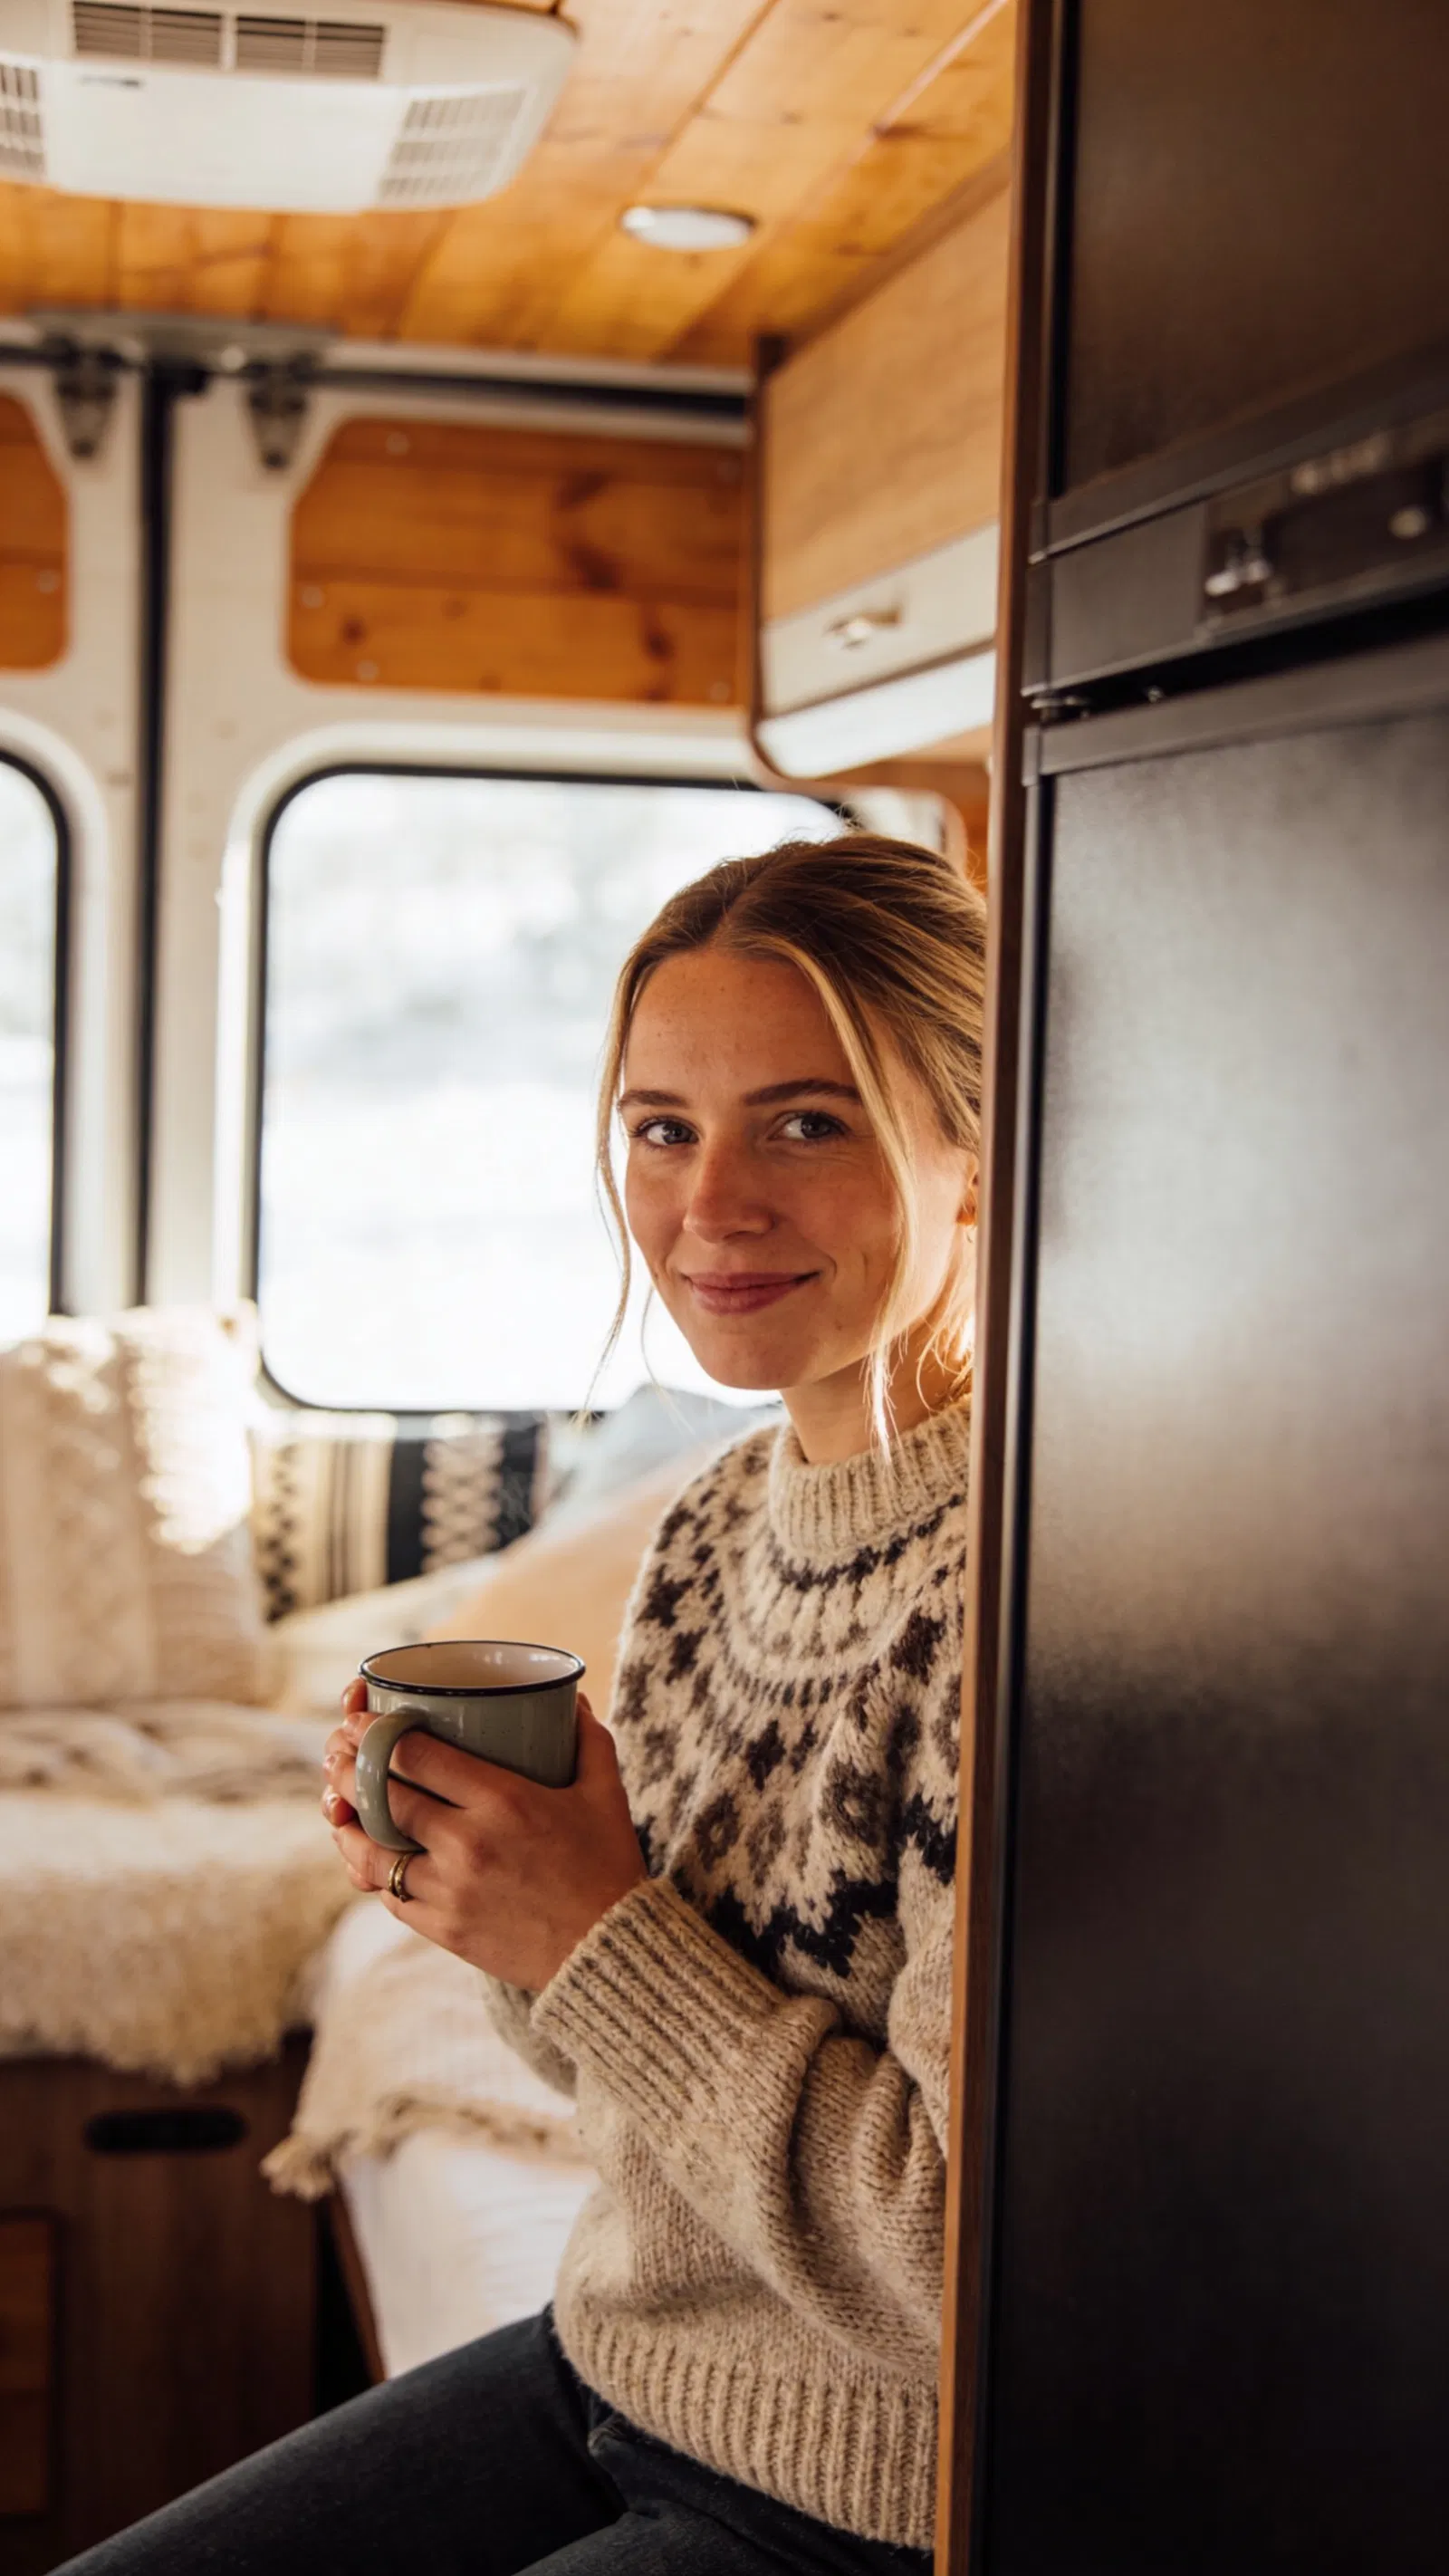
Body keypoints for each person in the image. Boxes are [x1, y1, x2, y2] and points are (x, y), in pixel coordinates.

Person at [61, 831, 986, 2575]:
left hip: (869, 2500)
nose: (710, 1207)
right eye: (662, 1129)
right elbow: (599, 2060)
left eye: (809, 1121)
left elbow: (965, 2259)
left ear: (978, 1149)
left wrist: (594, 1929)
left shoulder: (1037, 1611)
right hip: (612, 2370)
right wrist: (493, 1904)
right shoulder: (713, 1528)